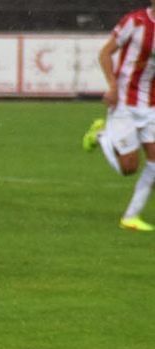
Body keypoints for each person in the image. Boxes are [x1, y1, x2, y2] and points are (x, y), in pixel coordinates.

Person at [82, 1, 155, 232]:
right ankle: (102, 135)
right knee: (129, 168)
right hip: (124, 102)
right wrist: (112, 87)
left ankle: (130, 217)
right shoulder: (135, 22)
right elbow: (105, 52)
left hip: (150, 105)